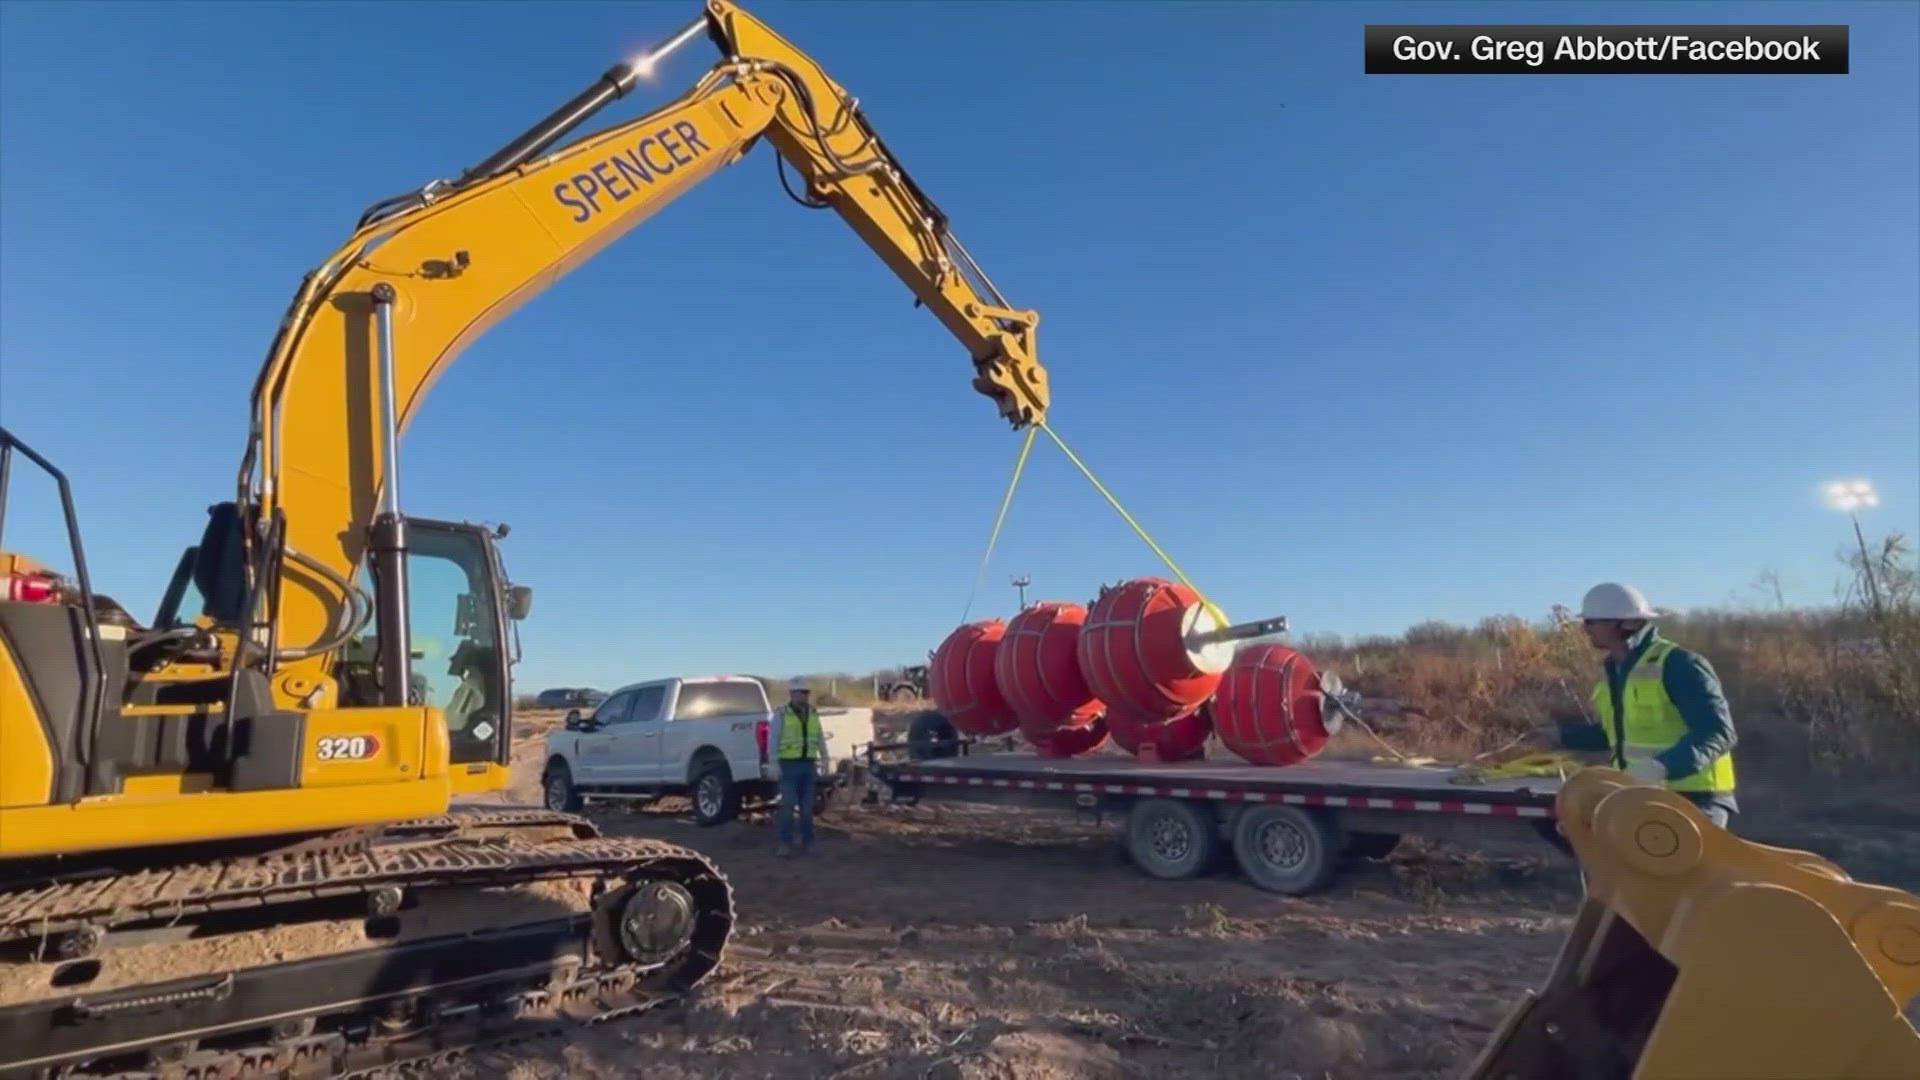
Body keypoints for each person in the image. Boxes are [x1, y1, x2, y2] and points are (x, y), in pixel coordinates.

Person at [1566, 582, 1739, 828]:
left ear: (1625, 623)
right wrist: (1559, 736)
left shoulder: (1679, 664)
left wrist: (1661, 767)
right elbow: (1618, 733)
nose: (1585, 629)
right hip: (1639, 796)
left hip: (1695, 798)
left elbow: (1718, 732)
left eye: (1592, 622)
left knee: (1677, 867)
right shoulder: (1614, 670)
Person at [770, 676, 826, 856]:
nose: (804, 696)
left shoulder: (813, 713)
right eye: (800, 692)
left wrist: (825, 758)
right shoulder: (781, 713)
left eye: (806, 693)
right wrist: (772, 762)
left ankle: (808, 841)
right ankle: (785, 843)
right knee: (787, 805)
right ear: (792, 693)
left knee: (807, 807)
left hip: (808, 765)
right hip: (788, 765)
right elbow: (773, 739)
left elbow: (819, 737)